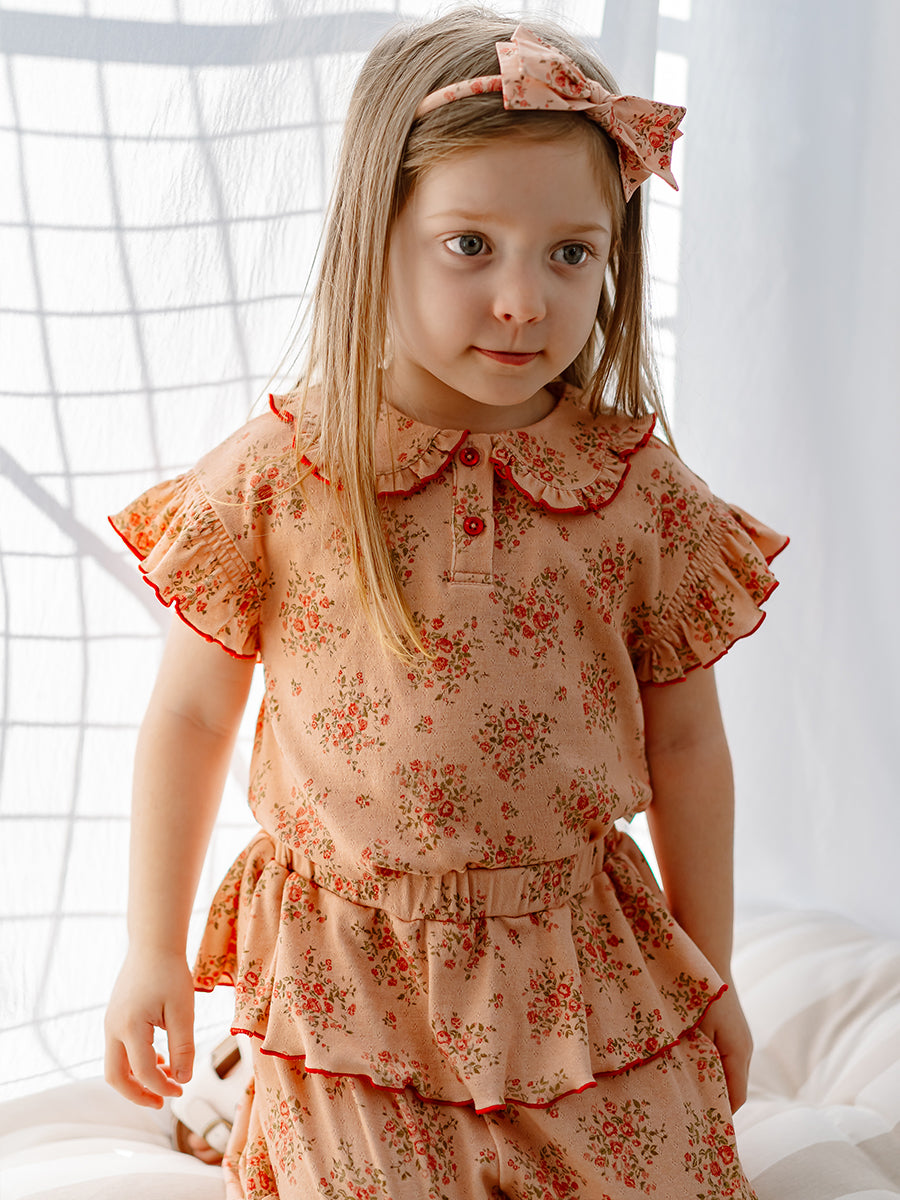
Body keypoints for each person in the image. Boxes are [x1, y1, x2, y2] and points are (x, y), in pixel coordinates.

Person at [104, 10, 787, 1197]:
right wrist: (149, 950)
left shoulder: (639, 493)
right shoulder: (284, 476)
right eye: (471, 245)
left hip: (578, 964)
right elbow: (191, 718)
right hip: (347, 973)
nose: (524, 300)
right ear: (376, 236)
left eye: (570, 253)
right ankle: (253, 1087)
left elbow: (686, 748)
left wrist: (704, 977)